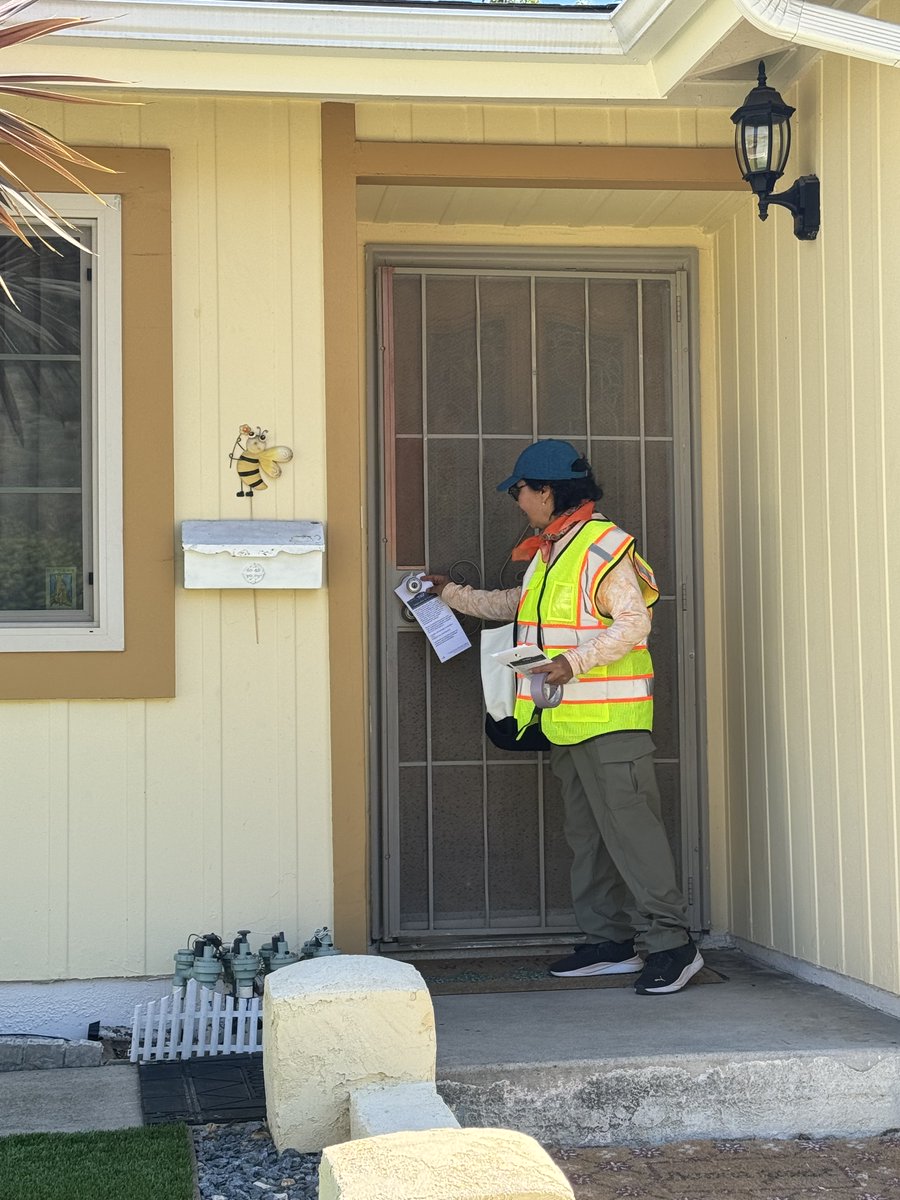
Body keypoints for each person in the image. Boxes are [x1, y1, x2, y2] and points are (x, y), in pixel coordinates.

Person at [424, 439, 703, 996]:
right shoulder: (553, 549)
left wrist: (570, 663)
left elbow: (632, 626)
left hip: (611, 723)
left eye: (521, 490)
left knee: (633, 834)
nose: (517, 500)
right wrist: (449, 594)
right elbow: (517, 607)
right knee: (590, 837)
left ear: (547, 490)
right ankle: (609, 943)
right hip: (567, 721)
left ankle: (675, 946)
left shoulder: (603, 546)